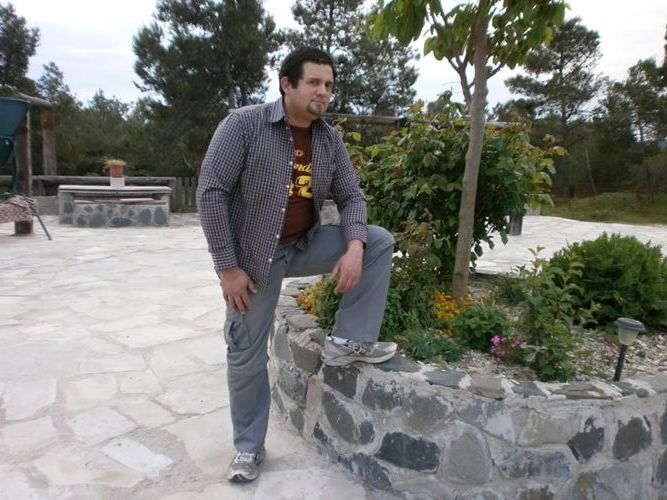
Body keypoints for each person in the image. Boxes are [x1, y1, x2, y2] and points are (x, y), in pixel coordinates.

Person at [196, 46, 397, 484]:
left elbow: (351, 197)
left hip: (303, 244)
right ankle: (248, 448)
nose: (324, 92)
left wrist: (354, 246)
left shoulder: (328, 139)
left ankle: (348, 340)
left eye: (329, 85)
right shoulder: (244, 125)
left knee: (378, 241)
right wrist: (227, 268)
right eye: (314, 83)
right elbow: (210, 193)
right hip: (254, 260)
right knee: (246, 352)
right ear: (287, 84)